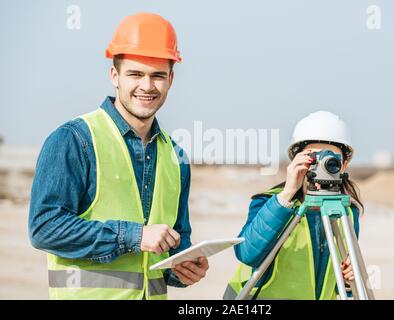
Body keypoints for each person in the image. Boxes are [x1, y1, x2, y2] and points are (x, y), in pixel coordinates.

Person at [28, 12, 209, 300]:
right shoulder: (74, 140)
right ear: (114, 75)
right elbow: (45, 228)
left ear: (171, 79)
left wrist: (183, 269)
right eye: (135, 74)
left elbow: (173, 245)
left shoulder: (177, 158)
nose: (147, 86)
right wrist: (134, 236)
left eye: (158, 75)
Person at [224, 111, 363, 300]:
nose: (322, 164)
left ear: (344, 165)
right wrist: (287, 194)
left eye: (331, 160)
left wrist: (348, 281)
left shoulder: (346, 212)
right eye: (313, 157)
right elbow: (247, 254)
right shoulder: (270, 202)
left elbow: (337, 284)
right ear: (296, 160)